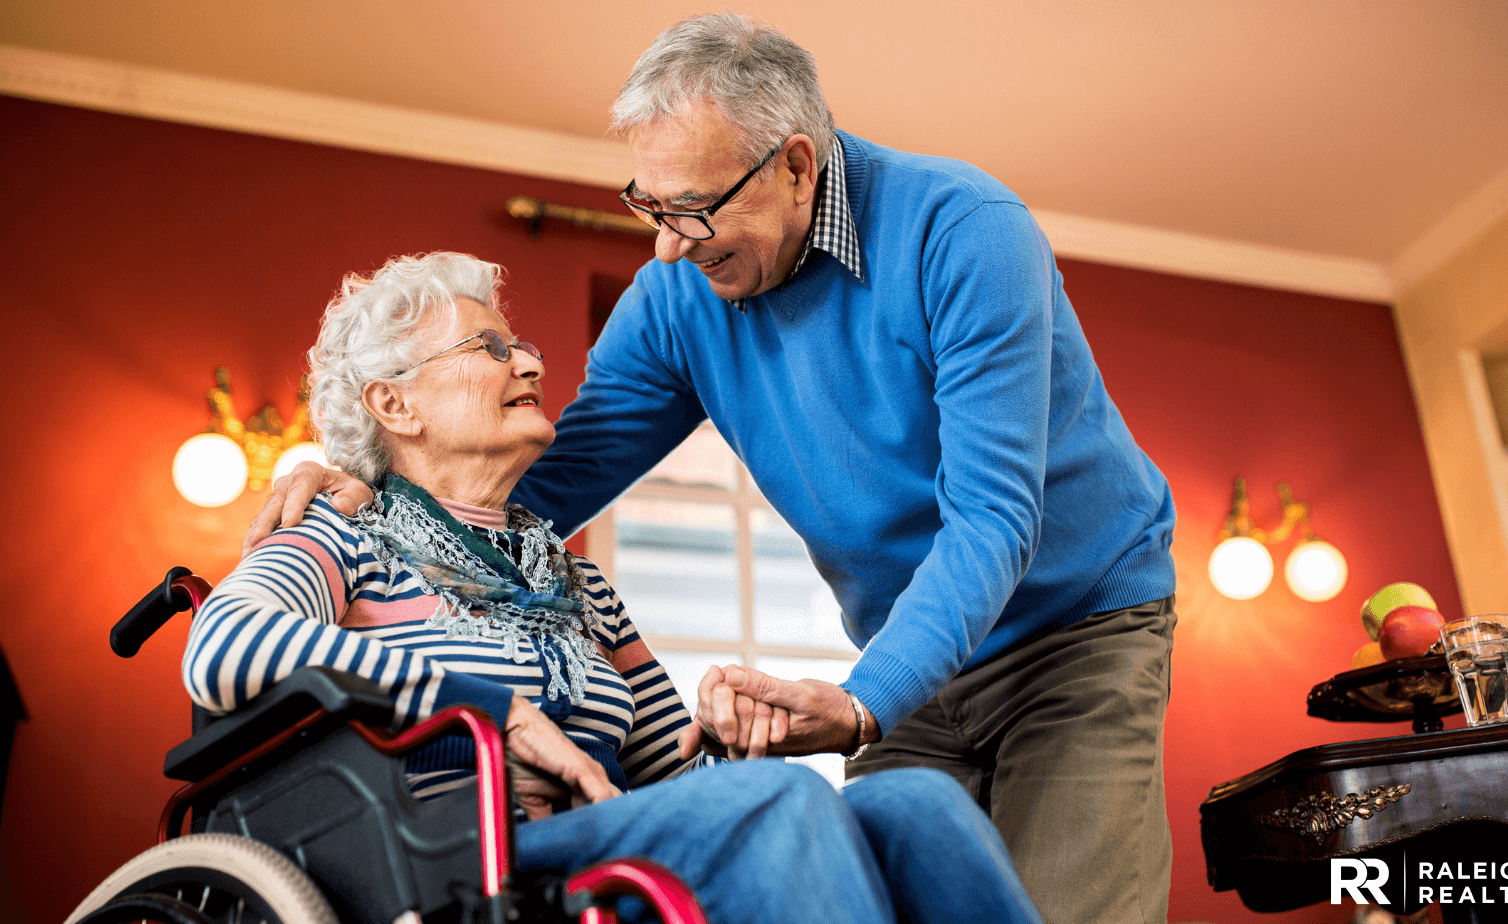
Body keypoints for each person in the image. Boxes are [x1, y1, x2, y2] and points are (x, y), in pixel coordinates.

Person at [253, 15, 1177, 924]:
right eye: (650, 206)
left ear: (796, 165)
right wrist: (366, 491)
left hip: (1075, 626)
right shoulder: (675, 299)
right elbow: (525, 487)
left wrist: (856, 706)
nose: (666, 245)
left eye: (694, 208)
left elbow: (990, 521)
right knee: (892, 849)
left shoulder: (963, 231)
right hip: (914, 653)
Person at [195, 251, 1042, 924]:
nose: (527, 359)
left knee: (917, 804)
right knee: (776, 806)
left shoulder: (574, 577)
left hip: (594, 838)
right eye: (489, 348)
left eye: (518, 343)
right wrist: (494, 709)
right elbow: (224, 645)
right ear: (395, 404)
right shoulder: (340, 535)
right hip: (449, 857)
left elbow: (666, 777)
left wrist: (725, 733)